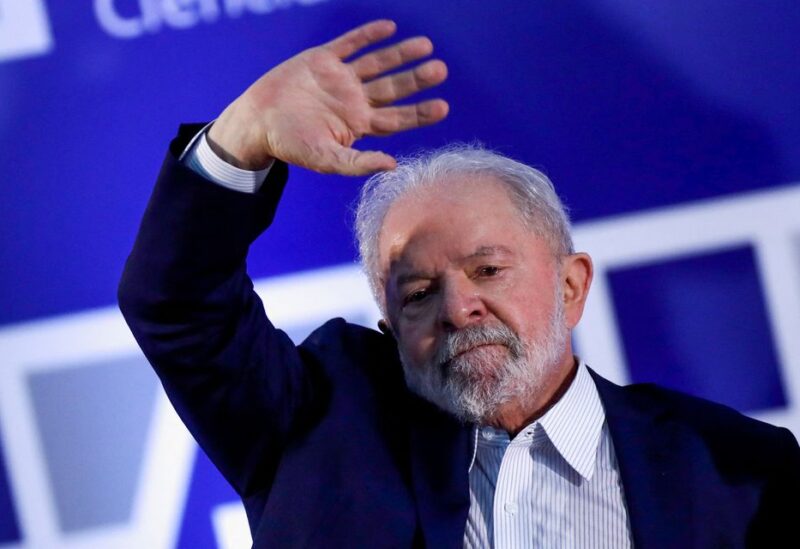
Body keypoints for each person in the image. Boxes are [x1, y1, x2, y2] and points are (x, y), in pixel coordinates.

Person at [119, 20, 799, 548]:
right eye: (417, 294)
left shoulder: (739, 471)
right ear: (390, 328)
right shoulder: (316, 425)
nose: (458, 306)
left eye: (488, 269)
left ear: (571, 284)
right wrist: (241, 137)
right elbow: (176, 305)